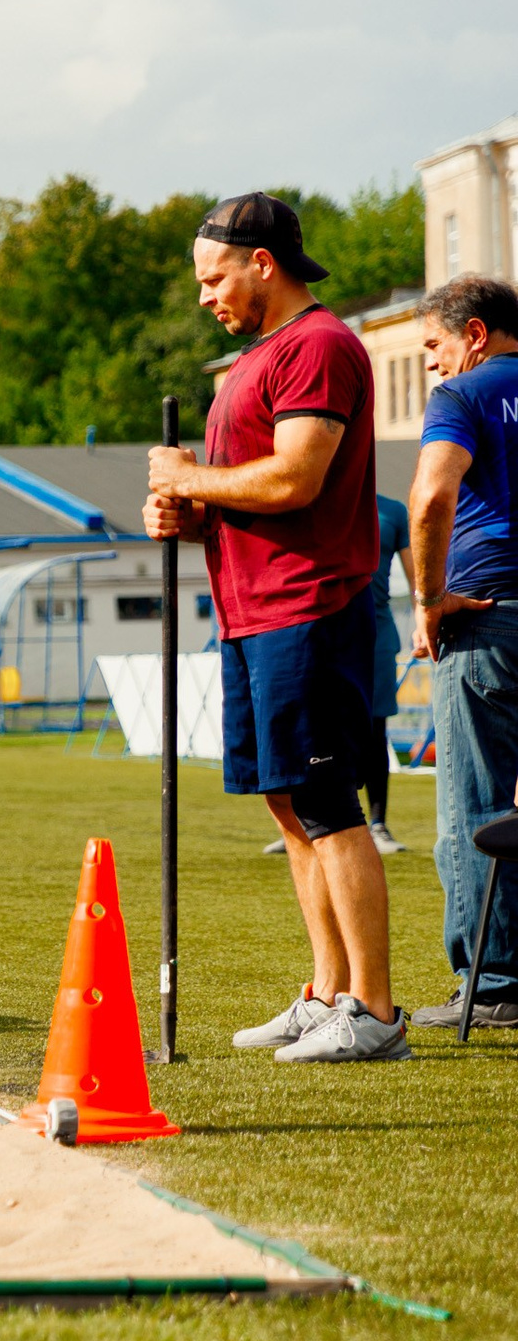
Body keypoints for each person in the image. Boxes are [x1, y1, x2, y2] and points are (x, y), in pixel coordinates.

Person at [144, 192, 398, 1064]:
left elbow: (295, 478)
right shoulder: (252, 362)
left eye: (214, 277)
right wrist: (186, 509)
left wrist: (193, 477)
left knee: (328, 803)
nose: (205, 295)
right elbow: (244, 494)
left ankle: (376, 1009)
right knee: (289, 804)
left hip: (310, 604)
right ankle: (326, 993)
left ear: (262, 262)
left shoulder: (319, 345)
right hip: (251, 608)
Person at [405, 274, 518, 1031]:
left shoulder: (463, 397)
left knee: (472, 806)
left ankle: (495, 982)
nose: (431, 365)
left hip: (488, 623)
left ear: (474, 335)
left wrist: (429, 595)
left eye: (434, 346)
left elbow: (431, 496)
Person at [268, 495, 409, 857]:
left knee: (374, 730)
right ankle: (303, 824)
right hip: (316, 631)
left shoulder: (392, 512)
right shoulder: (310, 499)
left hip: (375, 636)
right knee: (310, 729)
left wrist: (426, 616)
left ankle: (377, 824)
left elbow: (417, 575)